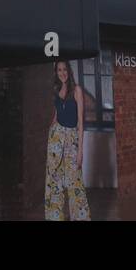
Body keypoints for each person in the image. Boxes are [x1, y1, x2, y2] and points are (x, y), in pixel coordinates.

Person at [44, 60, 90, 221]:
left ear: (69, 71)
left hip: (71, 140)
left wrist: (81, 151)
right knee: (54, 182)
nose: (62, 73)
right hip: (55, 140)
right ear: (56, 72)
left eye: (64, 69)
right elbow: (57, 114)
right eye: (59, 70)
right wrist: (51, 130)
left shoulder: (76, 90)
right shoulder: (57, 90)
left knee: (74, 183)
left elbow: (80, 121)